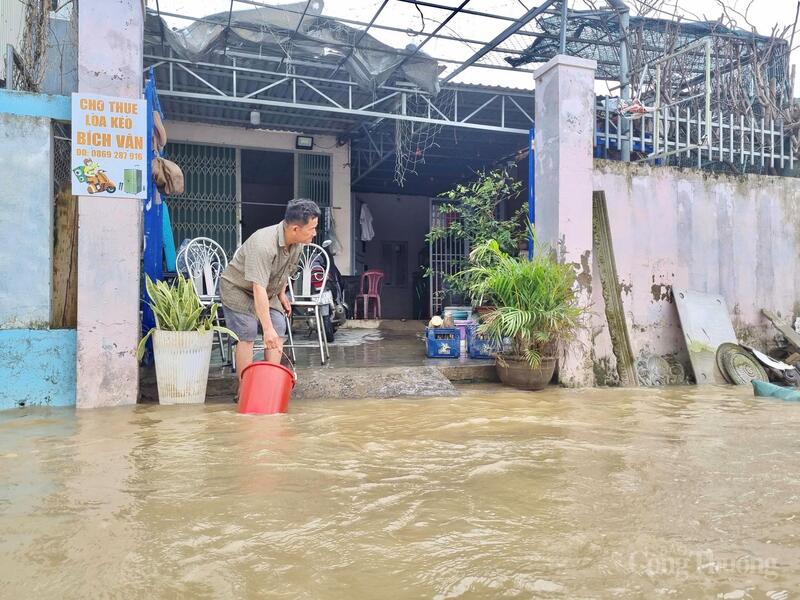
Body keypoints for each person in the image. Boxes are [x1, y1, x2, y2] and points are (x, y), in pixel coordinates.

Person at [220, 199, 320, 382]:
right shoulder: (263, 243)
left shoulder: (298, 244)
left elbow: (285, 270)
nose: (314, 233)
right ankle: (244, 388)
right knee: (248, 330)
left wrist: (282, 295)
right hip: (238, 288)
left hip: (268, 291)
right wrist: (266, 329)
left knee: (279, 326)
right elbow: (257, 288)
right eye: (311, 229)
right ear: (295, 229)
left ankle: (269, 383)